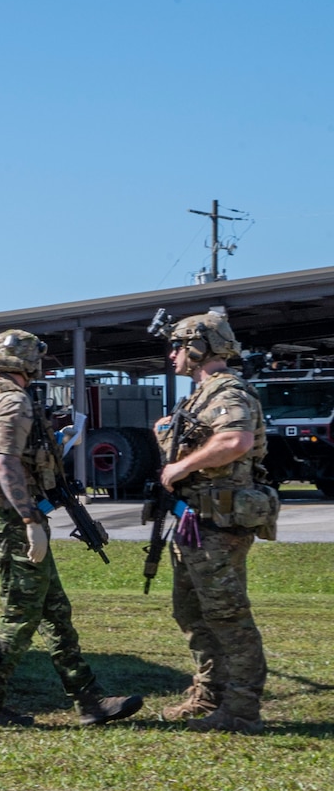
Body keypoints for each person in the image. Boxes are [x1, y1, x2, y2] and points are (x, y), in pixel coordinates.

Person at [0, 329, 142, 729]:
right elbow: (5, 462)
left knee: (54, 611)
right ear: (27, 362)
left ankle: (89, 700)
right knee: (21, 612)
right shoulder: (14, 400)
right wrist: (31, 520)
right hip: (11, 518)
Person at [153, 312, 273, 734]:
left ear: (199, 348)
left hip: (218, 524)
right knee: (191, 611)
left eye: (178, 346)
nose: (172, 355)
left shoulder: (227, 390)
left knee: (227, 615)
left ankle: (241, 709)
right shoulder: (200, 396)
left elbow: (234, 440)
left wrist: (181, 467)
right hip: (196, 521)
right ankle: (210, 693)